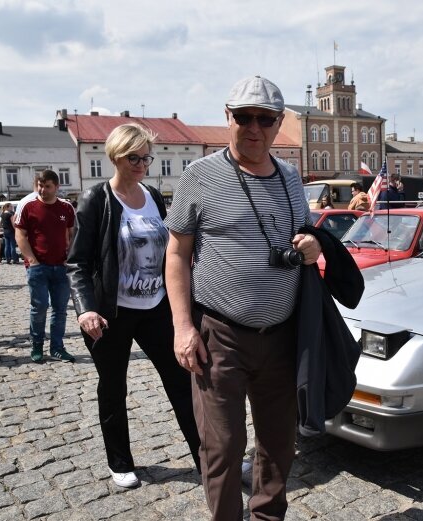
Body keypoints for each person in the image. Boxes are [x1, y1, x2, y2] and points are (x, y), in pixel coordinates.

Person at [164, 75, 321, 520]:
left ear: (277, 123)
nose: (254, 128)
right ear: (228, 117)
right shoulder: (199, 176)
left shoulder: (291, 178)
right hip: (221, 336)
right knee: (223, 447)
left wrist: (312, 246)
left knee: (277, 445)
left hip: (282, 337)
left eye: (265, 119)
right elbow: (176, 253)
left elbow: (303, 238)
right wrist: (182, 327)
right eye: (244, 117)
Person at [67, 123, 201, 489]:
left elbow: (173, 250)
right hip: (112, 312)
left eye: (146, 157)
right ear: (116, 157)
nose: (142, 164)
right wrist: (85, 308)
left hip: (156, 306)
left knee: (183, 381)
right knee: (113, 387)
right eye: (134, 157)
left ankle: (207, 458)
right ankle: (120, 461)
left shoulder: (154, 196)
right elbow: (77, 262)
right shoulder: (97, 199)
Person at [14, 170, 76, 364]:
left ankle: (57, 347)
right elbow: (20, 235)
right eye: (40, 185)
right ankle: (37, 345)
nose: (43, 189)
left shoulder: (66, 208)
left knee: (60, 309)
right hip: (38, 267)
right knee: (39, 307)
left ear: (57, 187)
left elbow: (72, 234)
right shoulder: (28, 206)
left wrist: (70, 257)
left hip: (61, 266)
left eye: (47, 186)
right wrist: (32, 260)